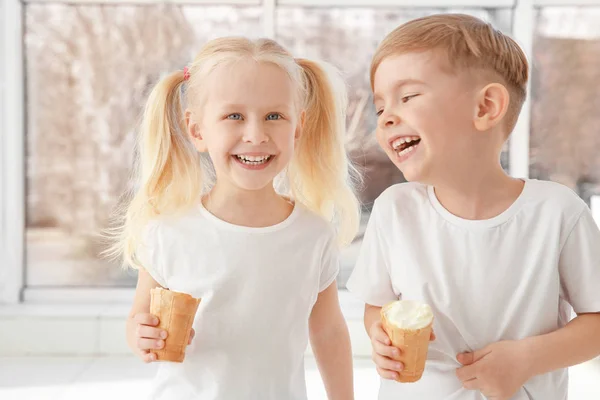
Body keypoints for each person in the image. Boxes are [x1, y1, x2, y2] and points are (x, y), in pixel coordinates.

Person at [347, 13, 600, 400]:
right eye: (381, 109)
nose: (387, 119)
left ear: (486, 107)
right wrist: (380, 336)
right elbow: (376, 307)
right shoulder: (394, 210)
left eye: (408, 97)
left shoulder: (556, 213)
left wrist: (528, 358)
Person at [108, 36, 360, 400]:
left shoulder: (312, 234)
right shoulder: (167, 230)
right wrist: (141, 335)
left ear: (298, 126)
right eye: (234, 116)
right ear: (197, 130)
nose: (256, 135)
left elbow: (329, 332)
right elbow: (140, 318)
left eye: (274, 116)